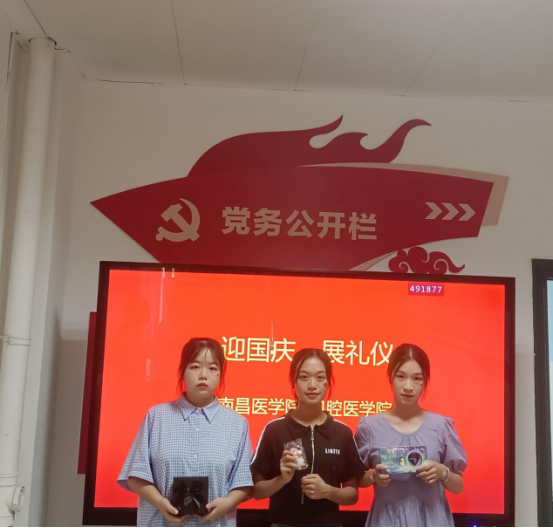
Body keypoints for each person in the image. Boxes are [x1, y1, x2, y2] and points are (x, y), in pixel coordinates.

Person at [117, 338, 253, 527]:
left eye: (212, 368)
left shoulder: (237, 424)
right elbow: (135, 476)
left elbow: (244, 482)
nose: (203, 375)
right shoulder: (156, 416)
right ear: (182, 371)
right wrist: (160, 503)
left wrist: (227, 503)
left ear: (219, 374)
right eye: (195, 367)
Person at [356, 344, 467, 527]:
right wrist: (373, 476)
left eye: (417, 378)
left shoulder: (441, 426)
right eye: (401, 376)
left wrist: (442, 472)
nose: (408, 387)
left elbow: (458, 487)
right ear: (390, 377)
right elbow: (357, 479)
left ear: (425, 382)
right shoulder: (370, 427)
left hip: (432, 520)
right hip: (386, 519)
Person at [251, 348, 365, 527]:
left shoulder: (342, 432)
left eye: (320, 377)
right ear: (294, 382)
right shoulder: (274, 429)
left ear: (327, 383)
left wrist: (328, 491)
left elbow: (352, 495)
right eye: (304, 377)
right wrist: (282, 479)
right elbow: (256, 492)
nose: (312, 385)